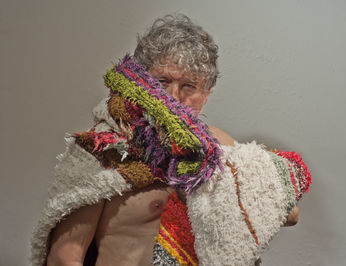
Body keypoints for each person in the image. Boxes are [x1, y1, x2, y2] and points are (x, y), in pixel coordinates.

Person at [31, 14, 306, 266]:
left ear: (206, 94)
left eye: (189, 86)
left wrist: (226, 183)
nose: (173, 96)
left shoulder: (215, 147)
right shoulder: (103, 150)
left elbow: (288, 213)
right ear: (139, 81)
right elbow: (63, 259)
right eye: (162, 81)